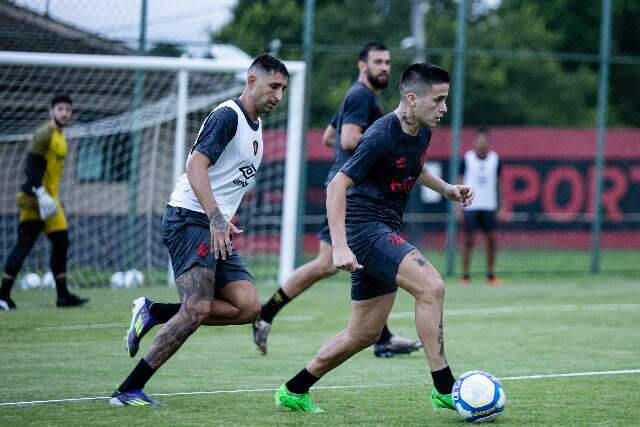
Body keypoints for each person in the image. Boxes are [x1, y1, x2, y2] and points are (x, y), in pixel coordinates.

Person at [274, 63, 474, 414]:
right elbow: (337, 184)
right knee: (432, 287)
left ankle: (294, 389)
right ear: (412, 99)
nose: (444, 108)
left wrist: (447, 189)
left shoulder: (422, 129)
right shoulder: (381, 133)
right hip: (366, 229)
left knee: (364, 334)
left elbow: (413, 166)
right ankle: (444, 387)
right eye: (438, 100)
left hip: (385, 229)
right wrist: (339, 246)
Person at [109, 54, 289, 406]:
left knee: (248, 307)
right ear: (251, 81)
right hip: (190, 220)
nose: (279, 96)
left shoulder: (256, 126)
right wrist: (215, 217)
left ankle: (154, 312)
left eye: (283, 89)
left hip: (212, 226)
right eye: (273, 87)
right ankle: (127, 390)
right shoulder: (227, 116)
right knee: (197, 309)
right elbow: (195, 165)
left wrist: (222, 219)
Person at [253, 41, 421, 358]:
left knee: (351, 259)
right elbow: (346, 139)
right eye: (378, 62)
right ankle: (266, 311)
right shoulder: (361, 96)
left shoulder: (360, 97)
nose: (384, 67)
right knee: (329, 263)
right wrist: (381, 150)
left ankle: (381, 337)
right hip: (349, 193)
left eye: (387, 62)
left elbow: (329, 137)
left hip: (348, 187)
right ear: (362, 65)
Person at [0, 95, 88, 311]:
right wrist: (39, 192)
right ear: (51, 111)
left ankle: (63, 296)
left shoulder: (60, 135)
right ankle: (3, 295)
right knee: (25, 243)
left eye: (68, 109)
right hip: (34, 199)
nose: (64, 113)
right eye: (60, 109)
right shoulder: (44, 133)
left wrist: (49, 196)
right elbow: (31, 166)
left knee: (61, 242)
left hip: (51, 200)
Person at [460, 127, 503, 286]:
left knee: (491, 241)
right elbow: (460, 181)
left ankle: (490, 275)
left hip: (489, 205)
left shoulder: (495, 159)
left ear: (488, 142)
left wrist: (501, 206)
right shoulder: (468, 158)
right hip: (471, 206)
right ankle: (465, 275)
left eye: (485, 140)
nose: (482, 142)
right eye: (479, 139)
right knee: (468, 241)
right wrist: (459, 206)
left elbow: (499, 184)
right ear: (475, 141)